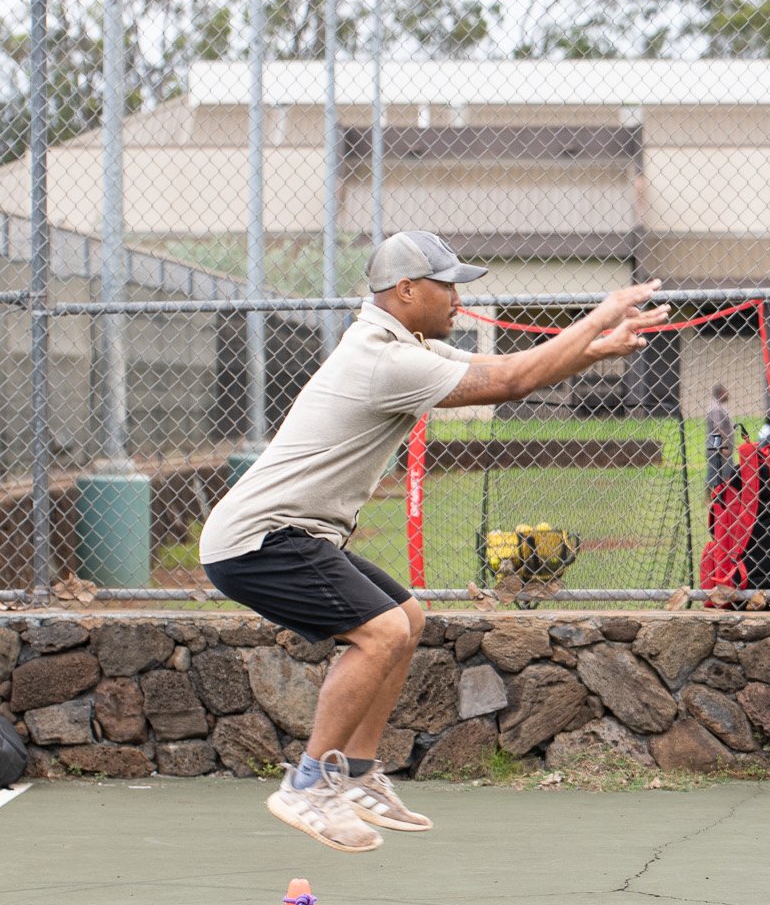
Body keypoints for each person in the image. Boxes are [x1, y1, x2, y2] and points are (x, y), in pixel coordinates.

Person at [199, 230, 668, 851]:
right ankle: (308, 784)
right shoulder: (383, 359)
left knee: (408, 618)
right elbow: (509, 381)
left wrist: (593, 348)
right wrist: (600, 316)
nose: (456, 297)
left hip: (296, 534)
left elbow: (497, 370)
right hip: (257, 540)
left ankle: (360, 776)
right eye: (447, 285)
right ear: (407, 290)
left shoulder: (397, 344)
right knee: (381, 632)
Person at [705, 381, 734, 494]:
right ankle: (710, 497)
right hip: (718, 445)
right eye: (725, 392)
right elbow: (718, 429)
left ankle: (722, 494)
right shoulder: (716, 408)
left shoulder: (719, 407)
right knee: (714, 471)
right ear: (720, 393)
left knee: (722, 471)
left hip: (719, 445)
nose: (727, 394)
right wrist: (723, 446)